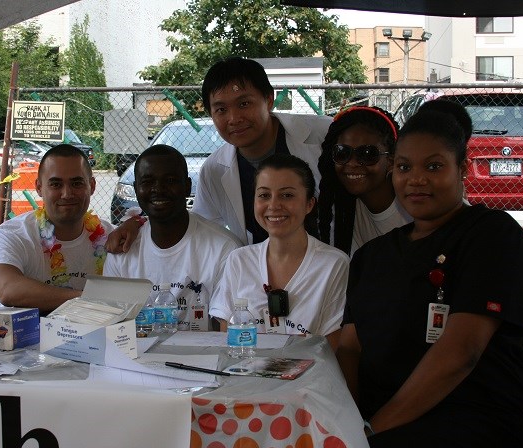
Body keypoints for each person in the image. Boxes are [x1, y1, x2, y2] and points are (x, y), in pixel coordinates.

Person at [337, 101, 523, 448]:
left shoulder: (492, 236)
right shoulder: (373, 256)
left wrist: (369, 432)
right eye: (403, 167)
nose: (416, 179)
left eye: (433, 166)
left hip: (469, 419)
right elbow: (350, 348)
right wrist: (349, 421)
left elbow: (462, 352)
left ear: (462, 169)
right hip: (379, 417)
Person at [106, 56, 332, 252]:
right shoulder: (214, 170)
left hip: (339, 266)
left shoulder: (324, 136)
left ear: (269, 99)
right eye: (221, 109)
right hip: (264, 278)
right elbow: (198, 226)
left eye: (244, 103)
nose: (234, 118)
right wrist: (138, 224)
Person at [210, 154, 349, 351]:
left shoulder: (333, 264)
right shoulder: (239, 260)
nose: (274, 205)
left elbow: (332, 348)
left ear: (309, 204)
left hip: (308, 380)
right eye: (264, 195)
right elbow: (227, 340)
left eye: (287, 195)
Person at [104, 144, 241, 330]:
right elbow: (113, 326)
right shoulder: (122, 249)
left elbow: (224, 330)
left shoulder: (224, 248)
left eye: (170, 180)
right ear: (136, 189)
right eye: (147, 182)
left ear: (187, 187)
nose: (158, 189)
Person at [0, 144, 113, 315]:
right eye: (55, 184)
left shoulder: (111, 237)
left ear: (92, 186)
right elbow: (8, 290)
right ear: (39, 187)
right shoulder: (10, 236)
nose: (67, 194)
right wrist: (88, 300)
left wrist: (134, 224)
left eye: (76, 183)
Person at [317, 106, 411, 255]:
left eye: (367, 154)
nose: (352, 163)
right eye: (342, 153)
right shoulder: (344, 209)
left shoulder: (415, 210)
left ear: (391, 161)